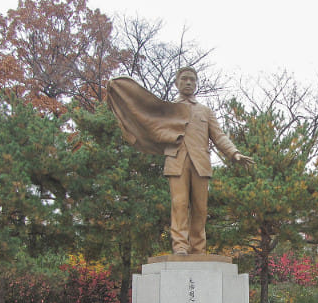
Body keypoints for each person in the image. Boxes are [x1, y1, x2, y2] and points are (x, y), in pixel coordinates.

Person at [107, 67, 253, 255]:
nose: (188, 82)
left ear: (196, 83)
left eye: (192, 79)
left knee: (200, 209)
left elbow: (219, 136)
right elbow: (144, 116)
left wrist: (234, 153)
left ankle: (198, 248)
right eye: (184, 79)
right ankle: (180, 246)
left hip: (201, 164)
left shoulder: (205, 112)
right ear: (177, 83)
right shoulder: (168, 110)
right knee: (179, 204)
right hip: (177, 162)